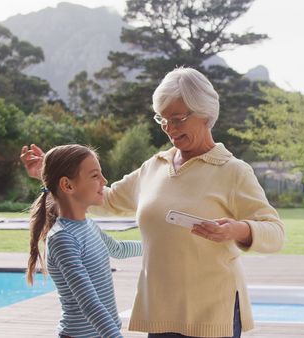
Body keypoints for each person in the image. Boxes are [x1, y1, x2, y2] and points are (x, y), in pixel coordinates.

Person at [20, 67, 286, 338]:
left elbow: (275, 232)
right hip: (161, 312)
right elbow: (104, 197)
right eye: (163, 119)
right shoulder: (155, 167)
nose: (169, 128)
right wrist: (50, 174)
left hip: (211, 313)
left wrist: (237, 230)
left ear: (205, 114)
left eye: (178, 118)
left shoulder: (233, 171)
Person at [24, 144, 142, 338]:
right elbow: (89, 303)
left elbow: (119, 249)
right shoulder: (63, 238)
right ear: (68, 185)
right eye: (95, 175)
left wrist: (160, 247)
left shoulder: (87, 224)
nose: (104, 181)